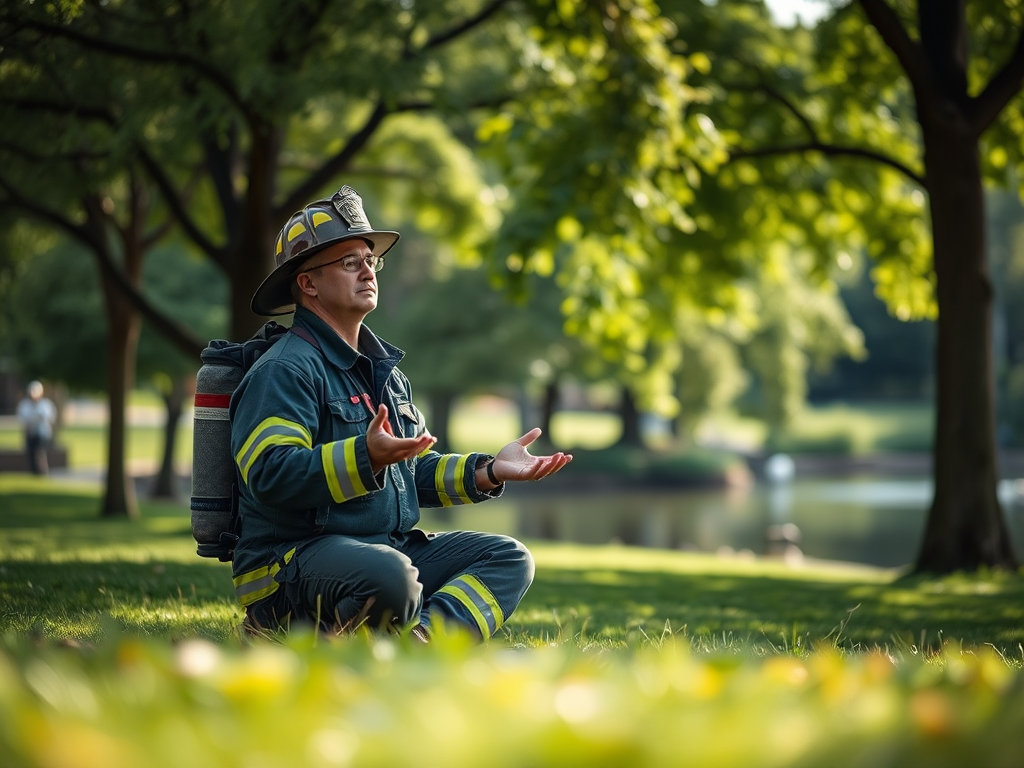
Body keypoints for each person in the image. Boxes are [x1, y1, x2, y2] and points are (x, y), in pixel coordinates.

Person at [230, 184, 572, 641]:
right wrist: (364, 456)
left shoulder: (385, 374)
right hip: (292, 564)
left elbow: (412, 471)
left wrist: (491, 471)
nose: (368, 271)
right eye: (350, 262)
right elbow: (271, 474)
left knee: (509, 557)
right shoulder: (284, 370)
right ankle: (283, 630)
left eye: (371, 260)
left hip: (384, 552)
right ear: (307, 283)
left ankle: (424, 643)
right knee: (391, 577)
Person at [17, 380, 57, 475]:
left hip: (42, 434)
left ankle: (42, 471)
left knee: (40, 452)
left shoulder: (45, 405)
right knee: (30, 453)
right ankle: (33, 472)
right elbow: (23, 420)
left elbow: (51, 418)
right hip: (30, 433)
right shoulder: (25, 405)